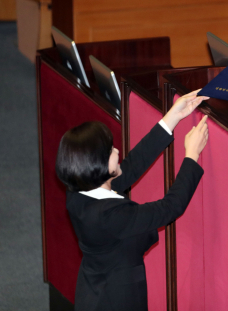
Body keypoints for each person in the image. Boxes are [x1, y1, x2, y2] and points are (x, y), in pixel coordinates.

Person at [55, 90, 208, 311]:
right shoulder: (111, 216)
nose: (117, 150)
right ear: (99, 167)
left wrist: (173, 116)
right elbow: (170, 207)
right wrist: (191, 155)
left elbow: (132, 166)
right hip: (118, 299)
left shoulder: (79, 190)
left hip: (94, 291)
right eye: (110, 151)